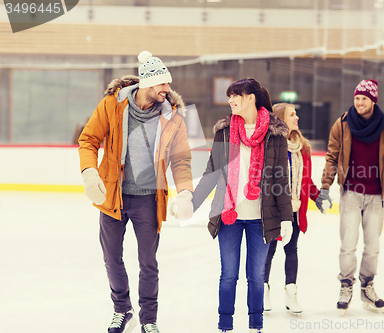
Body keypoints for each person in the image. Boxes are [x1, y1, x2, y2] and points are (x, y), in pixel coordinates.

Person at [78, 51, 194, 333]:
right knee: (111, 257)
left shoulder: (172, 117)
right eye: (162, 85)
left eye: (168, 84)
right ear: (147, 84)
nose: (167, 90)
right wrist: (89, 172)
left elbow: (181, 159)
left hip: (148, 200)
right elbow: (89, 139)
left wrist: (186, 192)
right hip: (113, 196)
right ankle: (122, 309)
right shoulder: (113, 105)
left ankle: (149, 319)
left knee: (148, 262)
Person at [190, 78, 293, 333]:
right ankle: (225, 325)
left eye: (236, 95)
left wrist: (287, 217)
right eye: (230, 96)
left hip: (262, 217)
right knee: (228, 276)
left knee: (256, 278)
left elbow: (281, 177)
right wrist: (191, 203)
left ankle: (255, 326)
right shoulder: (225, 131)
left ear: (251, 98)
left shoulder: (275, 133)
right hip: (229, 216)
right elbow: (212, 172)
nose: (231, 100)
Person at [316, 79, 384, 315]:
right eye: (357, 98)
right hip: (351, 193)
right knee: (348, 245)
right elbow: (332, 157)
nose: (359, 102)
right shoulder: (342, 124)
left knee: (373, 246)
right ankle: (346, 286)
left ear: (373, 100)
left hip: (376, 194)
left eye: (364, 98)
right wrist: (325, 187)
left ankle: (367, 286)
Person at [263, 103, 320, 314]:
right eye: (292, 115)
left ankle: (291, 294)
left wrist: (317, 196)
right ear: (280, 119)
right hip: (274, 210)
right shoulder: (270, 145)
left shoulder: (303, 148)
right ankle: (263, 291)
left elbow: (306, 181)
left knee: (291, 250)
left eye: (296, 114)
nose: (297, 118)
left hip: (295, 209)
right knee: (268, 251)